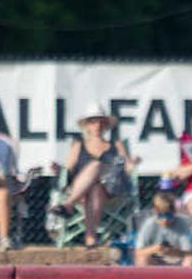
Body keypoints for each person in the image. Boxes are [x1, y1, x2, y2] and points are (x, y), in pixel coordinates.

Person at [50, 104, 137, 248]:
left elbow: (128, 167)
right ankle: (90, 239)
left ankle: (68, 205)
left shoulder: (116, 144)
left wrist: (132, 163)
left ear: (105, 125)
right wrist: (58, 169)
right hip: (83, 192)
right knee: (95, 189)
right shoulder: (78, 145)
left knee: (96, 166)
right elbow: (68, 169)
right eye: (93, 121)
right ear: (87, 125)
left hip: (111, 189)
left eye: (100, 122)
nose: (97, 125)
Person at [134, 192, 192, 266]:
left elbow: (190, 253)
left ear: (174, 212)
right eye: (161, 216)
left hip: (176, 261)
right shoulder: (149, 224)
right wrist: (153, 249)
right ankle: (148, 277)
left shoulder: (181, 224)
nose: (165, 220)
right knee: (142, 259)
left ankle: (185, 277)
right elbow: (137, 252)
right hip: (156, 261)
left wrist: (172, 252)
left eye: (169, 216)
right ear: (155, 212)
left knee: (189, 259)